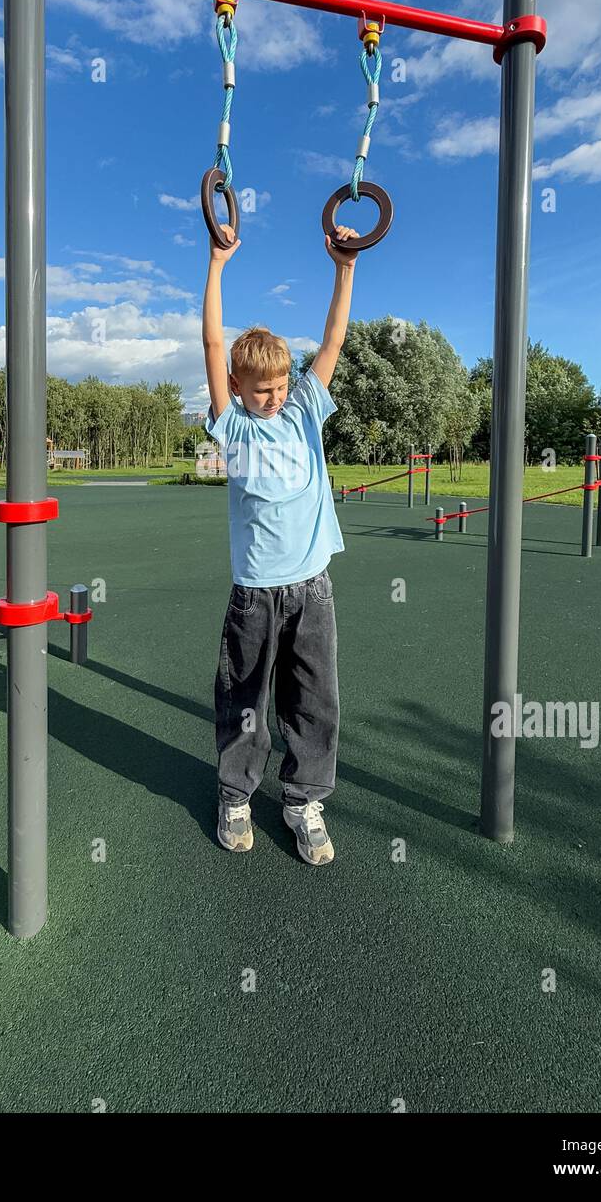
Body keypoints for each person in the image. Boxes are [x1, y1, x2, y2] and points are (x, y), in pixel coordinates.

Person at [201, 220, 359, 864]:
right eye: (260, 389)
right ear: (238, 388)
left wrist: (344, 267)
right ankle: (236, 793)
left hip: (311, 587)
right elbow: (212, 341)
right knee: (243, 696)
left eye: (279, 385)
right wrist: (217, 264)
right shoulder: (232, 426)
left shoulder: (302, 411)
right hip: (254, 595)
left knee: (314, 698)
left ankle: (304, 801)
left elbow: (334, 339)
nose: (273, 397)